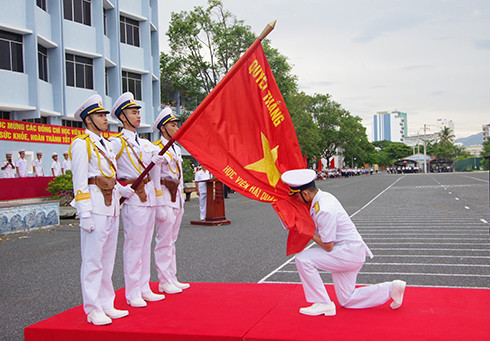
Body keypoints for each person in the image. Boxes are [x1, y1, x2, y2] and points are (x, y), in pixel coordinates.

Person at [281, 169, 406, 316]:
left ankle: (323, 303)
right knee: (347, 299)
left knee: (303, 259)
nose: (296, 199)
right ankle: (391, 288)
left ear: (306, 193)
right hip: (349, 251)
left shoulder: (324, 209)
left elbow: (328, 246)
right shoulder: (322, 197)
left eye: (296, 195)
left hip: (346, 252)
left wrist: (307, 232)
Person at [70, 94, 135, 325]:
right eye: (99, 115)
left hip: (111, 207)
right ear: (88, 120)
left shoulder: (106, 144)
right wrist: (84, 213)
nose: (105, 119)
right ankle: (92, 307)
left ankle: (107, 302)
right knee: (92, 261)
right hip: (95, 208)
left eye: (105, 115)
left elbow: (108, 175)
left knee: (107, 260)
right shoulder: (82, 144)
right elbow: (80, 181)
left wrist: (120, 189)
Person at [110, 92, 165, 308]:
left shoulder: (143, 143)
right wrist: (118, 189)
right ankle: (132, 292)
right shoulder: (117, 142)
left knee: (145, 245)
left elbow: (155, 170)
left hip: (148, 196)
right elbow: (105, 168)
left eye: (138, 112)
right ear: (123, 117)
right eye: (133, 112)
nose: (137, 116)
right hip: (133, 196)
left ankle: (144, 287)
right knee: (133, 245)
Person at [152, 107, 190, 294]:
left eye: (176, 124)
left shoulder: (175, 148)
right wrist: (159, 203)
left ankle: (172, 277)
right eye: (172, 125)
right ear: (163, 128)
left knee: (172, 240)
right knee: (164, 240)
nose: (177, 128)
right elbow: (155, 177)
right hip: (166, 198)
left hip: (177, 199)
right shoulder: (157, 148)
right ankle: (164, 280)